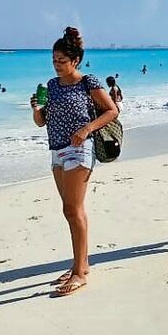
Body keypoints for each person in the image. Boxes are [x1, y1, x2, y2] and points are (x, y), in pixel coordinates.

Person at [29, 27, 118, 297]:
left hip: (79, 149)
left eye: (62, 61)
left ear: (75, 61)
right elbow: (42, 122)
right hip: (56, 150)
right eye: (54, 61)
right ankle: (82, 264)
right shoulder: (52, 86)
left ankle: (79, 273)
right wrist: (36, 109)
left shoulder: (87, 82)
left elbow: (112, 110)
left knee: (72, 208)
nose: (56, 66)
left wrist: (87, 129)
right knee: (69, 210)